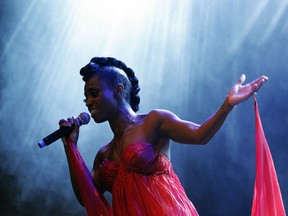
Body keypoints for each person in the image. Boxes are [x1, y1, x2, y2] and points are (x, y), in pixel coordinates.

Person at [59, 57, 268, 215]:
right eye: (85, 97)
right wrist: (71, 147)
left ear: (118, 90)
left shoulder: (153, 121)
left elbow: (199, 135)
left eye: (94, 93)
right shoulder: (104, 155)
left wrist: (227, 105)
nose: (88, 102)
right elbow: (87, 199)